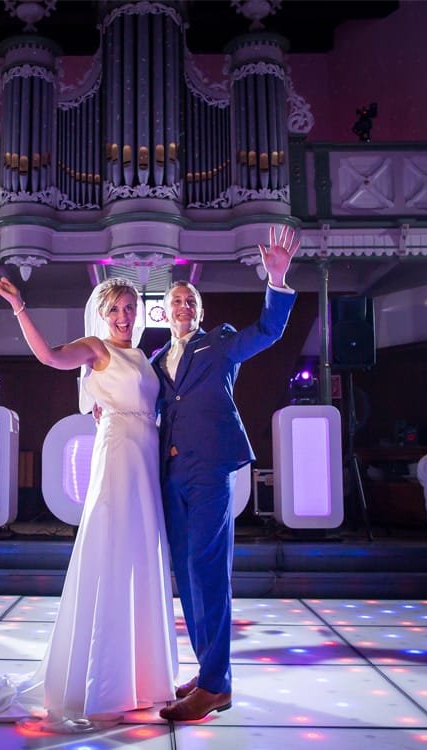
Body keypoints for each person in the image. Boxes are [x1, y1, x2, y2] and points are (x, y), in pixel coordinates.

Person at [0, 273, 177, 731]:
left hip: (145, 460)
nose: (123, 316)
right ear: (101, 314)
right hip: (118, 457)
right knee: (112, 556)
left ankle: (143, 680)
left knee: (141, 559)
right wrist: (19, 306)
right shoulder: (95, 348)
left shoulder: (144, 357)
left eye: (130, 308)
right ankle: (103, 683)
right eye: (114, 309)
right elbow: (48, 356)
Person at [153, 223, 300, 722]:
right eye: (176, 301)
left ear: (200, 310)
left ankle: (216, 685)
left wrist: (276, 280)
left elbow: (269, 332)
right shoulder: (156, 360)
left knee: (208, 570)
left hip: (210, 471)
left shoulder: (220, 343)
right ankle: (208, 672)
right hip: (170, 476)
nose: (183, 307)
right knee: (186, 575)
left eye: (190, 301)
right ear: (164, 311)